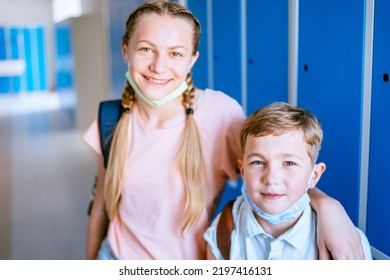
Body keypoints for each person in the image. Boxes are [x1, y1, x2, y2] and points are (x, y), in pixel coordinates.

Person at [83, 0, 365, 260]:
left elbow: (271, 173)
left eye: (175, 53)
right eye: (146, 49)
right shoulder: (111, 118)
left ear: (192, 59)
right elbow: (101, 207)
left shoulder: (219, 114)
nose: (159, 66)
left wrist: (329, 207)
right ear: (125, 50)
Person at [204, 102, 372, 260]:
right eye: (258, 162)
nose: (271, 178)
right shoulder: (223, 230)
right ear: (242, 170)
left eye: (289, 163)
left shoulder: (346, 246)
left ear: (314, 176)